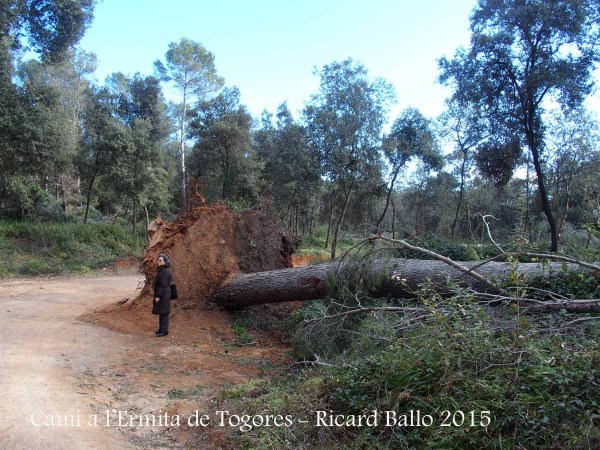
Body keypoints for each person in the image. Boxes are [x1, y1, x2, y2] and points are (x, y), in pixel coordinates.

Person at [153, 253, 172, 337]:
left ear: (165, 262)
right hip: (163, 294)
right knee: (162, 312)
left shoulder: (165, 271)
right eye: (158, 260)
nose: (158, 262)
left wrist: (158, 296)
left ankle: (164, 331)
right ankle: (161, 329)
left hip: (164, 295)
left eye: (160, 260)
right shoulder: (162, 270)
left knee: (164, 313)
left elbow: (163, 285)